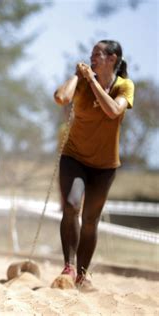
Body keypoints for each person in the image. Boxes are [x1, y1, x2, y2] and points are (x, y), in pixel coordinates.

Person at [53, 40, 134, 290]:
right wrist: (78, 76)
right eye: (91, 54)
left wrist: (92, 81)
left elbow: (112, 111)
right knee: (71, 204)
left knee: (91, 220)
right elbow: (61, 98)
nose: (92, 58)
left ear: (112, 59)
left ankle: (82, 274)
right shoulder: (83, 80)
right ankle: (68, 266)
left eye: (97, 54)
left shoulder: (124, 86)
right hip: (74, 156)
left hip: (105, 165)